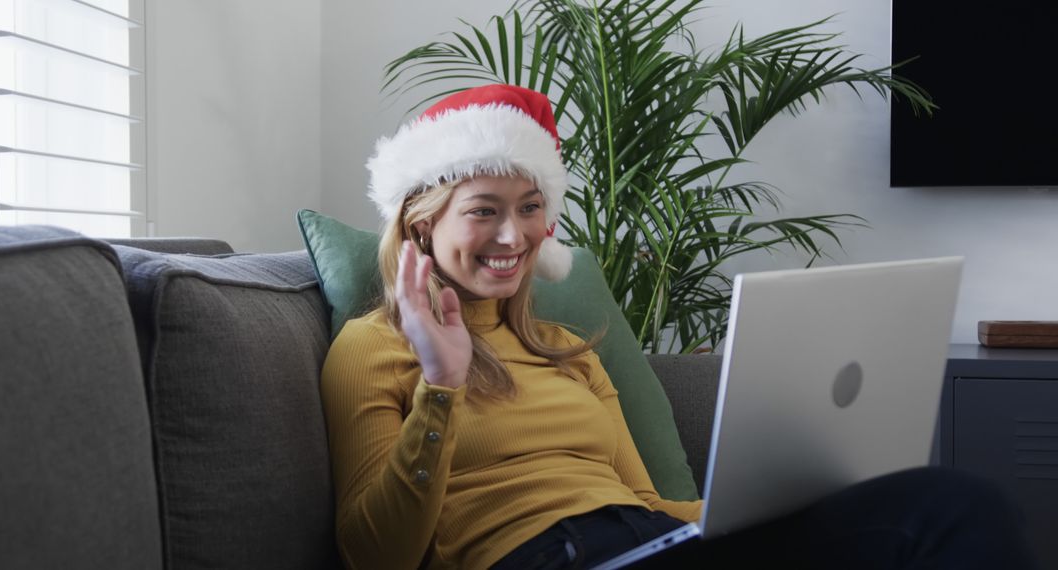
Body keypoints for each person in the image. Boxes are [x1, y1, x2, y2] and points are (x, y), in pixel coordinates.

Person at [319, 84, 1036, 569]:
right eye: (484, 209)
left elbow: (647, 502)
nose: (515, 234)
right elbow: (378, 554)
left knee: (954, 505)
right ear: (422, 220)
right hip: (547, 556)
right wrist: (442, 384)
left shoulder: (567, 351)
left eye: (531, 206)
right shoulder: (373, 348)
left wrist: (786, 497)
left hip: (656, 542)